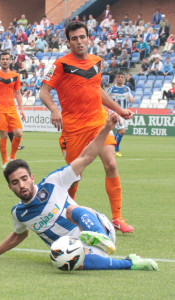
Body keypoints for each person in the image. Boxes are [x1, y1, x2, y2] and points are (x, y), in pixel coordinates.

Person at [0, 114, 158, 272]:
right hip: (77, 248)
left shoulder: (54, 182)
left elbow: (86, 156)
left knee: (71, 210)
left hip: (97, 226)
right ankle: (130, 263)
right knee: (61, 259)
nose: (22, 185)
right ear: (10, 187)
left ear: (32, 177)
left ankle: (99, 236)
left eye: (24, 178)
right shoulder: (19, 213)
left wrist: (107, 127)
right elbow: (18, 235)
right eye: (15, 182)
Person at [39, 22, 134, 234]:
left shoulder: (97, 62)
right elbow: (44, 92)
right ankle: (68, 214)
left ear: (89, 38)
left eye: (82, 37)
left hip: (98, 122)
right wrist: (55, 111)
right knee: (74, 175)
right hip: (74, 128)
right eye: (74, 39)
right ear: (68, 41)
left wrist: (119, 109)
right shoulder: (61, 64)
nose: (79, 42)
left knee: (111, 165)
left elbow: (97, 90)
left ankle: (117, 217)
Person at [0, 52, 26, 168]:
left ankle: (12, 157)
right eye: (3, 59)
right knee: (3, 135)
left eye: (7, 59)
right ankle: (4, 162)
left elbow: (18, 93)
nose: (5, 61)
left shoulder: (15, 76)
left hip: (11, 109)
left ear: (10, 61)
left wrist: (21, 109)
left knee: (18, 133)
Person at [107, 72, 134, 157]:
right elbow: (105, 99)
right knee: (122, 131)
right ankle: (115, 149)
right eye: (119, 77)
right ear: (116, 78)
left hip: (124, 112)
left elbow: (131, 98)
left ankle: (113, 149)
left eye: (122, 77)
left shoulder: (127, 89)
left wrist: (131, 99)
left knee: (119, 131)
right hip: (115, 112)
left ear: (124, 79)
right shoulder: (111, 89)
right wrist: (112, 102)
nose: (120, 79)